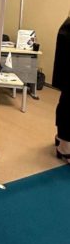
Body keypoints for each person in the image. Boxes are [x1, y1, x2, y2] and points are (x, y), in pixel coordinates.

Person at [52, 13, 70, 164]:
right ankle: (64, 146)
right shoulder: (67, 28)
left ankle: (62, 140)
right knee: (67, 107)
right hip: (68, 77)